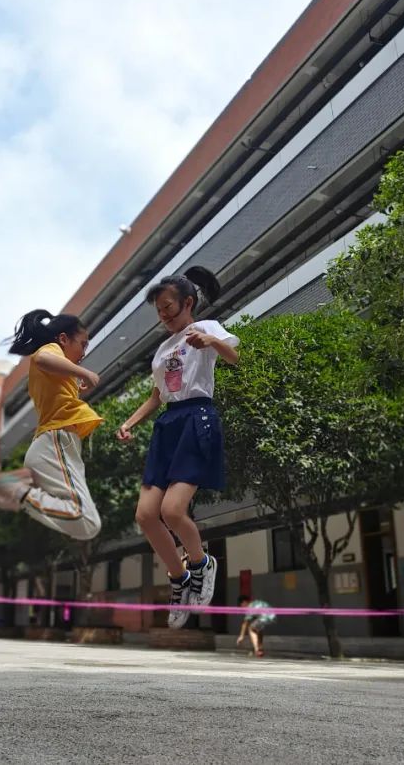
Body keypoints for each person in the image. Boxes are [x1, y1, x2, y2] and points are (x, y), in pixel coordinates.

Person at [116, 267, 239, 628]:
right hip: (167, 425)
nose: (164, 315)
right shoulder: (162, 349)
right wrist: (129, 423)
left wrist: (211, 342)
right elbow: (157, 395)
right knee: (144, 515)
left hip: (197, 419)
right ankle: (180, 579)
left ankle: (201, 564)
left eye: (168, 307)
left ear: (187, 302)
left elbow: (234, 357)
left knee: (172, 511)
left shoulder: (208, 328)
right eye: (159, 310)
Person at [0, 310, 102, 540]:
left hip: (53, 446)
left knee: (87, 525)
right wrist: (84, 373)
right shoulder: (51, 350)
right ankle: (16, 490)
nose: (84, 352)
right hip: (55, 442)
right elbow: (42, 358)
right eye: (82, 344)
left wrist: (74, 382)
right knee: (86, 521)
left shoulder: (59, 370)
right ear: (63, 339)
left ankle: (17, 490)